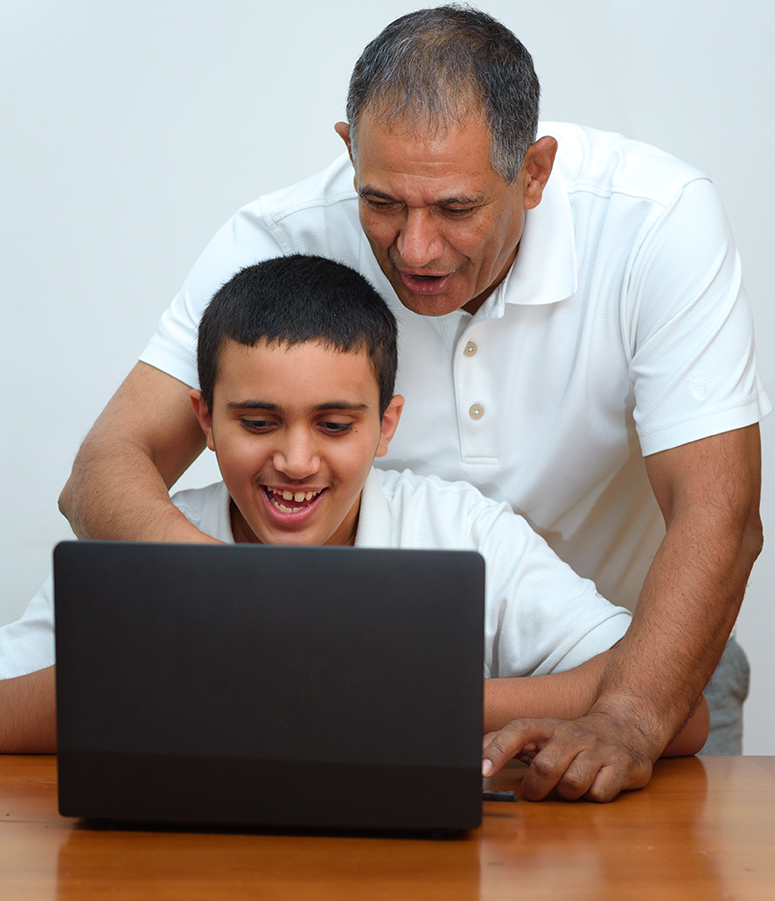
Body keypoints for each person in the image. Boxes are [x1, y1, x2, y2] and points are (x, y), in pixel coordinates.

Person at [57, 7, 766, 798]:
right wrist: (235, 606)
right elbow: (101, 468)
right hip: (340, 685)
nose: (416, 248)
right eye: (382, 203)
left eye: (456, 210)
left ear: (534, 173)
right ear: (347, 149)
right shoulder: (278, 235)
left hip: (635, 667)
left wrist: (633, 713)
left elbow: (721, 512)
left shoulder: (657, 222)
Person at [0, 255, 708, 782]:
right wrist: (157, 682)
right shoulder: (144, 545)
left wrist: (407, 699)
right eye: (257, 422)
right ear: (204, 415)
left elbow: (683, 708)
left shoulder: (464, 530)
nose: (296, 461)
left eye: (335, 424)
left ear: (387, 424)